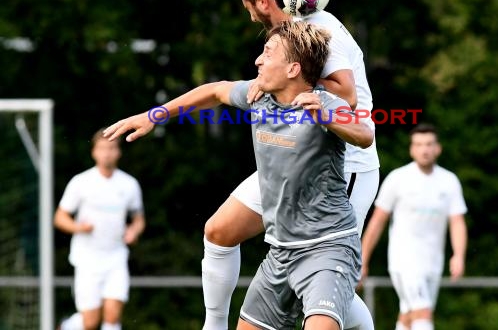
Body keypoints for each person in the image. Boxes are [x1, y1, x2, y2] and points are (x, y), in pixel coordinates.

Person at [105, 20, 374, 329]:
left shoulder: (325, 102)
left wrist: (325, 116)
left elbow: (363, 134)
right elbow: (215, 91)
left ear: (293, 69)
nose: (258, 60)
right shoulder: (259, 97)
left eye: (268, 53)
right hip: (281, 252)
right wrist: (154, 115)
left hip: (327, 247)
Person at [201, 0, 380, 330]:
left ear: (265, 0)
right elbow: (221, 89)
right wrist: (269, 84)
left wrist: (284, 83)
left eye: (250, 8)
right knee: (219, 230)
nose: (251, 17)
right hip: (291, 156)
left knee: (327, 273)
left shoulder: (320, 30)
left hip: (343, 166)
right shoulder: (292, 33)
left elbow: (347, 95)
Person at [359, 123, 468, 330]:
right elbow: (377, 221)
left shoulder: (449, 181)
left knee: (409, 315)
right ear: (411, 149)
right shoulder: (398, 179)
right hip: (405, 260)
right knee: (422, 311)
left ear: (438, 148)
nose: (424, 149)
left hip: (433, 262)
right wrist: (363, 259)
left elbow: (457, 221)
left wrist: (459, 255)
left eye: (429, 144)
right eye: (418, 144)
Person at [54, 129, 145, 330]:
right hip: (87, 260)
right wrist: (78, 227)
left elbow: (139, 220)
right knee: (91, 322)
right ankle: (68, 326)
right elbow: (60, 217)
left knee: (112, 317)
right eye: (102, 148)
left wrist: (134, 232)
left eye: (111, 148)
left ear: (118, 152)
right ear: (94, 152)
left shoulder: (129, 185)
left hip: (116, 257)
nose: (107, 153)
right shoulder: (81, 182)